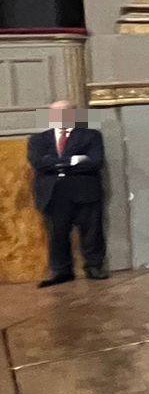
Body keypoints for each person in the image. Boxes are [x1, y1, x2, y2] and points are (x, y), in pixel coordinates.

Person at [29, 99, 106, 286]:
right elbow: (39, 163)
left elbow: (94, 162)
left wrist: (55, 162)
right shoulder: (38, 139)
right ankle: (62, 271)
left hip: (84, 191)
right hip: (53, 193)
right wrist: (74, 161)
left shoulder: (91, 136)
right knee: (57, 234)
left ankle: (94, 266)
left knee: (91, 231)